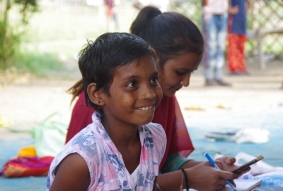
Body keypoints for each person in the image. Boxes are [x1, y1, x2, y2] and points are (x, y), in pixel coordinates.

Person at [65, 6, 247, 190]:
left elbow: (163, 161)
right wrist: (185, 179)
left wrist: (209, 170)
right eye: (180, 72)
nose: (186, 82)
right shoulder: (84, 151)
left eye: (153, 80)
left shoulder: (157, 120)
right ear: (154, 55)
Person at [47, 32, 166, 190]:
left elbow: (149, 186)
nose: (149, 93)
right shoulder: (82, 160)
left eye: (153, 80)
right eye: (132, 84)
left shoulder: (156, 137)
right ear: (97, 94)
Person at [201, 0, 234, 86]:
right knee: (210, 46)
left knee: (221, 46)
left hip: (222, 13)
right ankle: (209, 76)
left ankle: (218, 76)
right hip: (210, 14)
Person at [227, 0, 251, 75]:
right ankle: (234, 68)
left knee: (241, 45)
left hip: (242, 20)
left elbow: (249, 2)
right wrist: (230, 10)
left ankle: (242, 67)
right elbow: (224, 3)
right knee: (233, 45)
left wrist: (247, 8)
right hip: (233, 20)